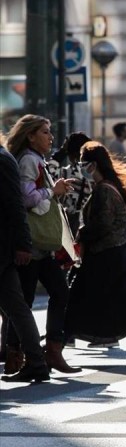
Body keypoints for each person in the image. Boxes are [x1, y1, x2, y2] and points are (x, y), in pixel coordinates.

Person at [64, 142, 126, 365]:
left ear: (93, 165)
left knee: (78, 299)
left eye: (83, 163)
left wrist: (81, 233)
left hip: (106, 256)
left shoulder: (104, 190)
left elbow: (103, 225)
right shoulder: (108, 187)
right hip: (118, 255)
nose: (80, 168)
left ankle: (56, 346)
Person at [5, 114, 80, 375]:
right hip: (32, 244)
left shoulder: (36, 160)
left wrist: (56, 189)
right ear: (31, 135)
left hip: (41, 245)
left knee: (55, 294)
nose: (51, 137)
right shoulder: (27, 160)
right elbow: (25, 198)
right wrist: (53, 191)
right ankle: (18, 356)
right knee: (22, 302)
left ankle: (51, 350)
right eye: (45, 132)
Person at [0, 137, 50, 383]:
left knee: (17, 308)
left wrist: (23, 244)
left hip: (2, 248)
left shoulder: (3, 160)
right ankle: (37, 363)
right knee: (17, 308)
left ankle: (37, 362)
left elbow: (15, 206)